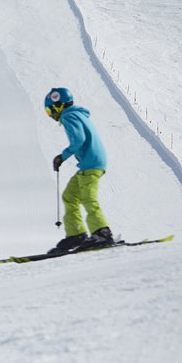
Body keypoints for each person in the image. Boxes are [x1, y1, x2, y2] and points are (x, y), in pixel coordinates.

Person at [44, 87, 114, 253]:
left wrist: (62, 156)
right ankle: (77, 234)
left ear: (57, 106)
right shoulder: (77, 114)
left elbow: (79, 140)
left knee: (88, 198)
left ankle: (102, 233)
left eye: (49, 110)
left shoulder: (68, 115)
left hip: (91, 163)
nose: (51, 115)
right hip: (89, 163)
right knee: (70, 196)